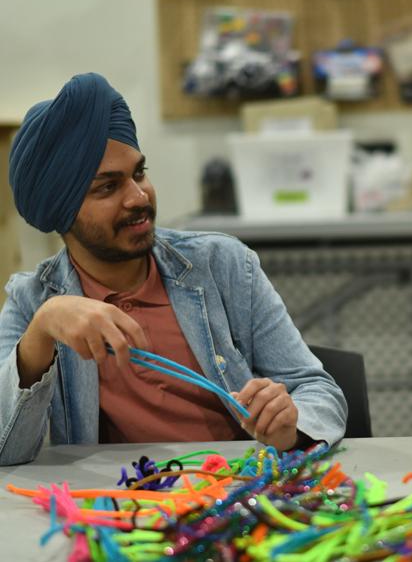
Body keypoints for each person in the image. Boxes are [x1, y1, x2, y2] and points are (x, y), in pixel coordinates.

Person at [0, 73, 347, 466]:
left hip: (240, 493)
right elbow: (4, 449)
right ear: (62, 210)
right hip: (122, 506)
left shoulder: (224, 265)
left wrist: (292, 424)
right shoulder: (35, 303)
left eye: (139, 173)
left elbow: (318, 390)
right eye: (108, 187)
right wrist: (41, 332)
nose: (138, 196)